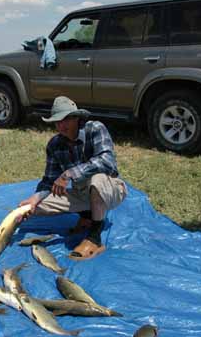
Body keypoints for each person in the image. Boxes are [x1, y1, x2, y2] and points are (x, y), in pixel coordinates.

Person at [19, 96, 127, 260]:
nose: (61, 125)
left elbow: (107, 161)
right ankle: (87, 217)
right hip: (81, 193)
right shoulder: (54, 144)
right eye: (57, 121)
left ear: (77, 118)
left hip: (110, 189)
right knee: (34, 208)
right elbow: (49, 179)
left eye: (66, 119)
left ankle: (95, 238)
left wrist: (69, 173)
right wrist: (35, 198)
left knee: (96, 180)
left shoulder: (95, 128)